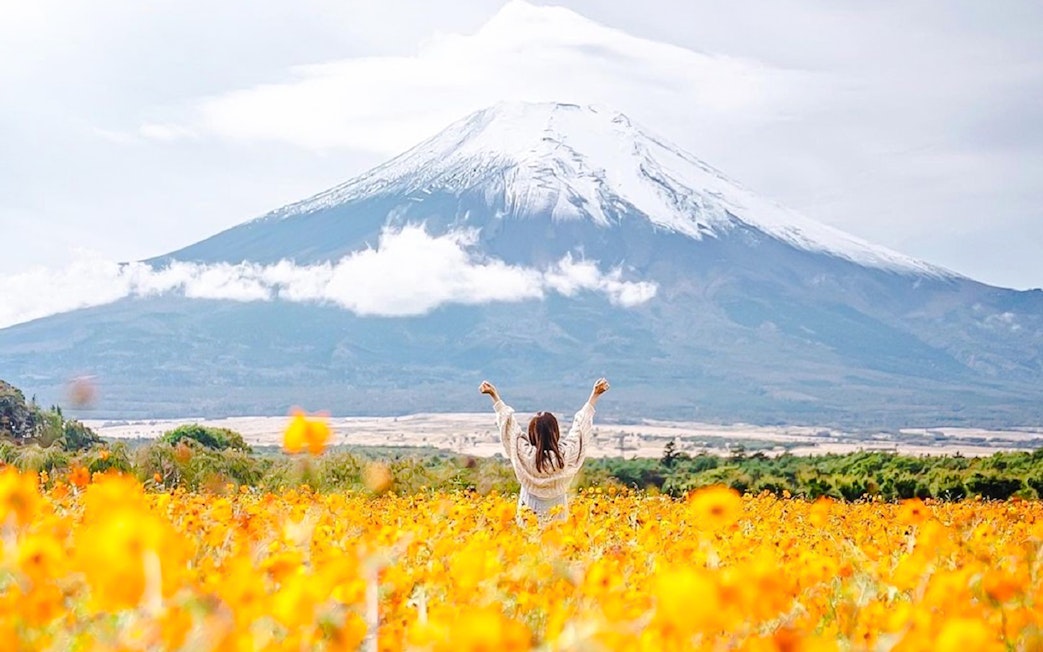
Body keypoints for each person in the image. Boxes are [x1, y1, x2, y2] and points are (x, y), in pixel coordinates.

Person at [479, 377, 610, 524]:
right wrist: (595, 395)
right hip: (559, 513)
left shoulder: (525, 455)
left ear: (532, 433)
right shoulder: (565, 456)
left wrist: (494, 396)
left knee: (529, 544)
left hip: (528, 511)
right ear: (556, 432)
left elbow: (510, 428)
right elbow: (580, 428)